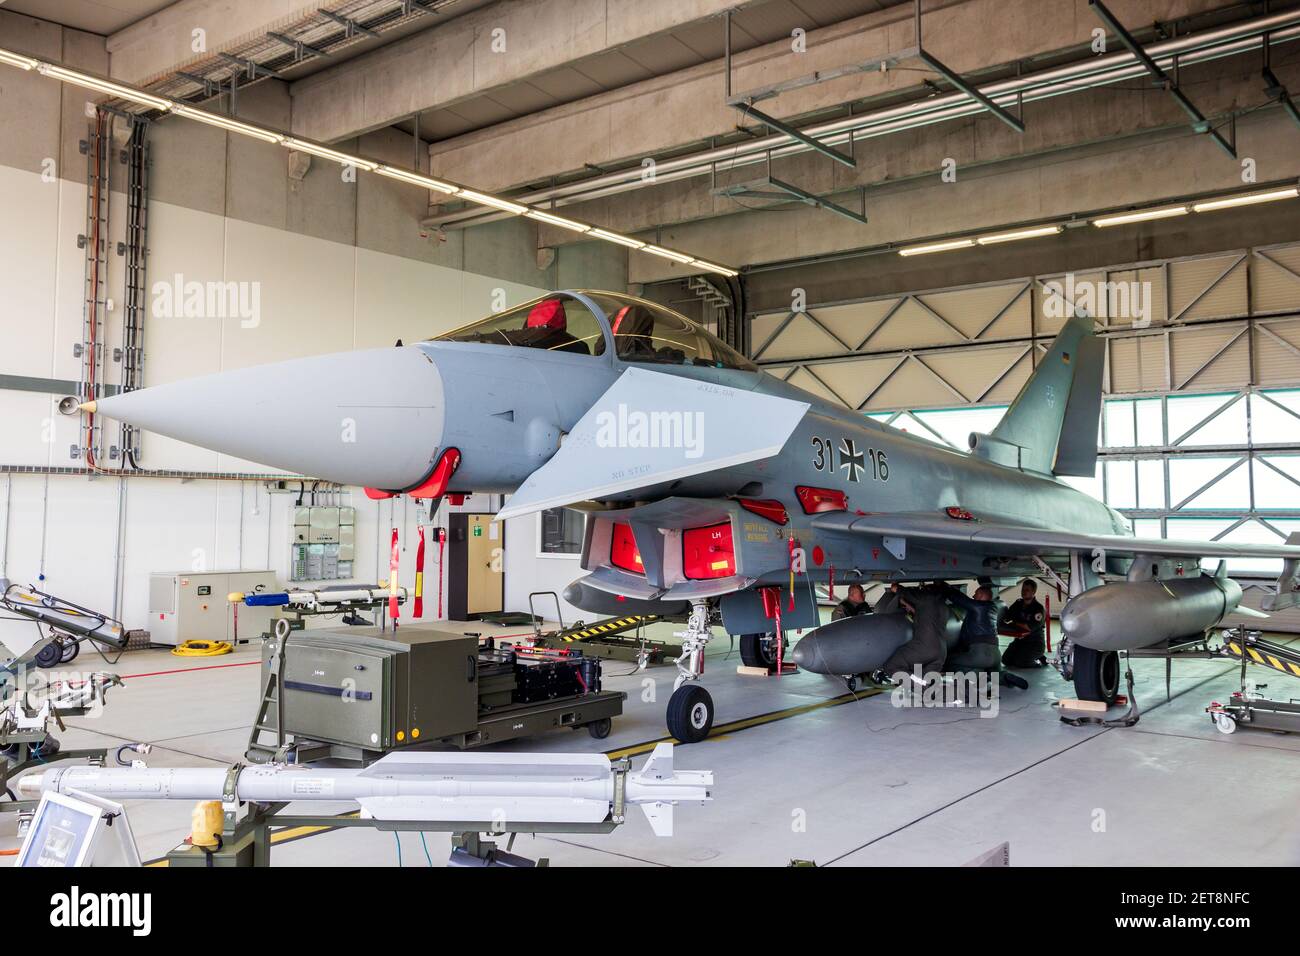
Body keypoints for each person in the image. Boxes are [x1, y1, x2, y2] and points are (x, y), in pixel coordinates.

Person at [875, 582, 948, 683]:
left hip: (924, 648)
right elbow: (928, 616)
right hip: (941, 652)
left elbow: (899, 589)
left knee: (892, 666)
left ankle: (917, 683)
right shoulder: (943, 606)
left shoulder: (925, 597)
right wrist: (908, 606)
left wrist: (894, 585)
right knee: (927, 684)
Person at [940, 581, 1002, 672]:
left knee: (948, 661)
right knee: (994, 674)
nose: (973, 596)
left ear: (981, 595)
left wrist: (945, 587)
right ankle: (1001, 676)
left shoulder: (979, 607)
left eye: (975, 594)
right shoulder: (993, 608)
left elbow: (960, 599)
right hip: (996, 656)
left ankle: (975, 674)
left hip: (981, 656)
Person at [1000, 578, 1047, 668]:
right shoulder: (1018, 603)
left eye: (1027, 590)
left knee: (1021, 662)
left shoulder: (1038, 608)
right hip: (1020, 641)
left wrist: (1015, 622)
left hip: (1035, 643)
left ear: (1033, 592)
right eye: (1023, 589)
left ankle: (1039, 660)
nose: (1024, 592)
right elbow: (1007, 617)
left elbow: (1029, 627)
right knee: (1006, 660)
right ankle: (1030, 656)